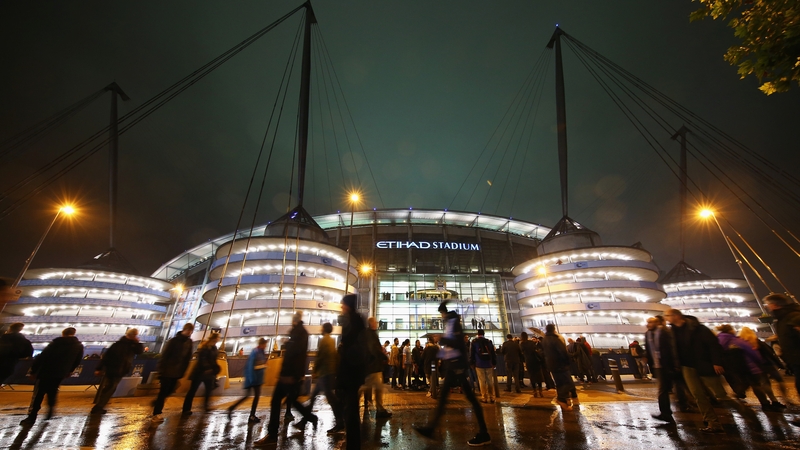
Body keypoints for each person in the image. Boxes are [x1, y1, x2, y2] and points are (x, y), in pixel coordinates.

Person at [413, 301, 491, 447]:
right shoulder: (450, 324)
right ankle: (432, 429)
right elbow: (451, 345)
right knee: (447, 399)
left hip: (457, 366)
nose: (441, 316)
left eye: (441, 313)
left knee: (468, 400)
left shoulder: (454, 323)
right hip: (453, 365)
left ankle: (484, 433)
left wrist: (441, 338)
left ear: (445, 313)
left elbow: (457, 343)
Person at [254, 313, 317, 446]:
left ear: (294, 320)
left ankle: (272, 435)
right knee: (292, 401)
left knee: (277, 401)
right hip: (290, 375)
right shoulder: (299, 333)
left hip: (289, 376)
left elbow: (296, 355)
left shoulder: (299, 333)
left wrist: (291, 375)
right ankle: (311, 417)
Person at [665, 308, 725, 433]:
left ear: (676, 316)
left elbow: (713, 345)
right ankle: (712, 422)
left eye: (668, 315)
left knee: (720, 395)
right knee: (697, 394)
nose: (666, 318)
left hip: (704, 364)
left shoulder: (698, 328)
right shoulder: (671, 332)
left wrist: (717, 362)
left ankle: (745, 413)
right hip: (686, 367)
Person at [20, 327, 84, 425]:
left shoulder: (56, 343)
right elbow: (77, 360)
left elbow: (42, 357)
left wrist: (33, 371)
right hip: (61, 372)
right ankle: (50, 410)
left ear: (63, 333)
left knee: (39, 393)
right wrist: (69, 370)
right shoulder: (78, 346)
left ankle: (32, 416)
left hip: (47, 370)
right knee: (53, 390)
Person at [716, 324, 776, 411]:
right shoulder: (736, 340)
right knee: (756, 385)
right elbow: (752, 352)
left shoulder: (719, 340)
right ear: (730, 330)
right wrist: (761, 362)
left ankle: (738, 393)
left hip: (735, 368)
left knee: (745, 383)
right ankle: (765, 404)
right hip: (749, 366)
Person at [337, 294, 368, 449]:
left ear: (348, 306)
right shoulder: (355, 321)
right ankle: (353, 443)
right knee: (351, 410)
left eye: (343, 305)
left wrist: (343, 349)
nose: (341, 307)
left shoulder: (353, 322)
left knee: (351, 412)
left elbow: (353, 351)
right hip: (352, 375)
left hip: (350, 374)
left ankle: (353, 445)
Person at [92, 328, 144, 414]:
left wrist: (137, 343)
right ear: (131, 335)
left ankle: (99, 405)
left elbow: (139, 351)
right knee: (110, 387)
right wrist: (99, 368)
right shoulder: (119, 345)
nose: (136, 337)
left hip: (119, 369)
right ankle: (99, 406)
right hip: (115, 369)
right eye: (135, 335)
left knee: (110, 387)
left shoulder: (131, 345)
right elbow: (107, 357)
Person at [151, 323, 194, 423]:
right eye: (187, 330)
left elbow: (188, 357)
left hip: (178, 371)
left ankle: (157, 402)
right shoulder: (173, 341)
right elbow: (165, 355)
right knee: (163, 392)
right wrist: (160, 370)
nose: (189, 332)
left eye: (190, 330)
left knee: (170, 390)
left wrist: (184, 370)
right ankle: (157, 413)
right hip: (167, 370)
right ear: (184, 329)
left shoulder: (189, 342)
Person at [305, 323, 343, 432]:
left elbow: (320, 356)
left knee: (330, 398)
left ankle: (340, 421)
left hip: (325, 374)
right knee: (314, 397)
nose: (320, 329)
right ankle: (305, 420)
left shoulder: (324, 341)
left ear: (324, 329)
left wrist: (314, 370)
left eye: (322, 327)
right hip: (328, 373)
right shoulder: (331, 341)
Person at [739, 326, 788, 408]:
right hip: (767, 364)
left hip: (755, 367)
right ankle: (783, 398)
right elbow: (770, 353)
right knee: (779, 380)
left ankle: (772, 400)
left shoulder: (742, 344)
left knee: (764, 383)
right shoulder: (757, 342)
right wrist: (779, 364)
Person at [763, 293, 800, 396]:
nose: (766, 307)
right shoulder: (782, 319)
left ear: (774, 305)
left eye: (767, 305)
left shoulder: (793, 316)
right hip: (794, 360)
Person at [644, 316, 679, 424]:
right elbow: (649, 349)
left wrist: (675, 365)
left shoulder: (665, 332)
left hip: (668, 364)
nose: (648, 324)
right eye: (648, 322)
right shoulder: (648, 334)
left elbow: (672, 348)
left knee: (671, 387)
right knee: (663, 390)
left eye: (650, 322)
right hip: (657, 366)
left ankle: (671, 411)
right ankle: (666, 413)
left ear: (657, 323)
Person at [227, 337, 268, 423]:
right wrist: (252, 379)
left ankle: (234, 409)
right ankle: (251, 415)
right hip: (253, 379)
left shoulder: (261, 352)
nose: (266, 346)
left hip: (257, 379)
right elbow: (250, 366)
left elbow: (261, 363)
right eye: (265, 344)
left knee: (250, 396)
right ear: (262, 344)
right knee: (252, 397)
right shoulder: (255, 352)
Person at [182, 332, 221, 416]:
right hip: (199, 372)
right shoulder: (205, 346)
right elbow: (202, 360)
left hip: (209, 373)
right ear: (215, 338)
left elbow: (213, 360)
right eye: (218, 338)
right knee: (192, 391)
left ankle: (206, 406)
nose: (219, 339)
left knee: (208, 390)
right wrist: (208, 368)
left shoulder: (214, 348)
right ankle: (186, 409)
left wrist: (215, 368)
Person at [542, 324, 578, 411]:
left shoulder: (544, 340)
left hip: (551, 365)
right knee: (568, 382)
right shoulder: (555, 339)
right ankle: (562, 399)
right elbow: (563, 352)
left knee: (559, 383)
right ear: (554, 330)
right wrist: (569, 360)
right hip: (560, 364)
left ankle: (564, 400)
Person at [363, 317, 392, 419]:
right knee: (376, 387)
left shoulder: (369, 334)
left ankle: (379, 409)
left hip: (372, 367)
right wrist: (384, 357)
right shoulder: (371, 334)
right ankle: (380, 409)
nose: (377, 324)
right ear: (371, 324)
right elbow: (374, 349)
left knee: (371, 387)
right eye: (375, 322)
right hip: (374, 367)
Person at [470, 328, 496, 403]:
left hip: (479, 364)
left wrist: (471, 363)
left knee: (482, 381)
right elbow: (493, 353)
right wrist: (494, 363)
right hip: (488, 363)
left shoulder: (474, 342)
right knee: (490, 381)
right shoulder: (488, 342)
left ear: (477, 334)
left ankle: (484, 397)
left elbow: (471, 354)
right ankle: (492, 397)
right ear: (484, 334)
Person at [520, 332, 544, 397]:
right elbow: (536, 350)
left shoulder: (522, 344)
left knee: (532, 376)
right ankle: (540, 390)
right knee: (538, 375)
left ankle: (534, 391)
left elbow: (522, 352)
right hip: (535, 360)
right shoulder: (531, 343)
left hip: (528, 361)